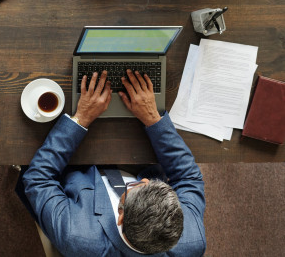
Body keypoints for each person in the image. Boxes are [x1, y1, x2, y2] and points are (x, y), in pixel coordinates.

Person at [22, 70, 206, 256]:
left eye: (134, 188)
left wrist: (80, 119)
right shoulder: (190, 239)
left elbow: (38, 178)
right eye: (153, 184)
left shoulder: (76, 235)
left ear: (121, 217)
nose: (145, 181)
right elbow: (188, 178)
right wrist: (153, 119)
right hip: (140, 158)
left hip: (76, 165)